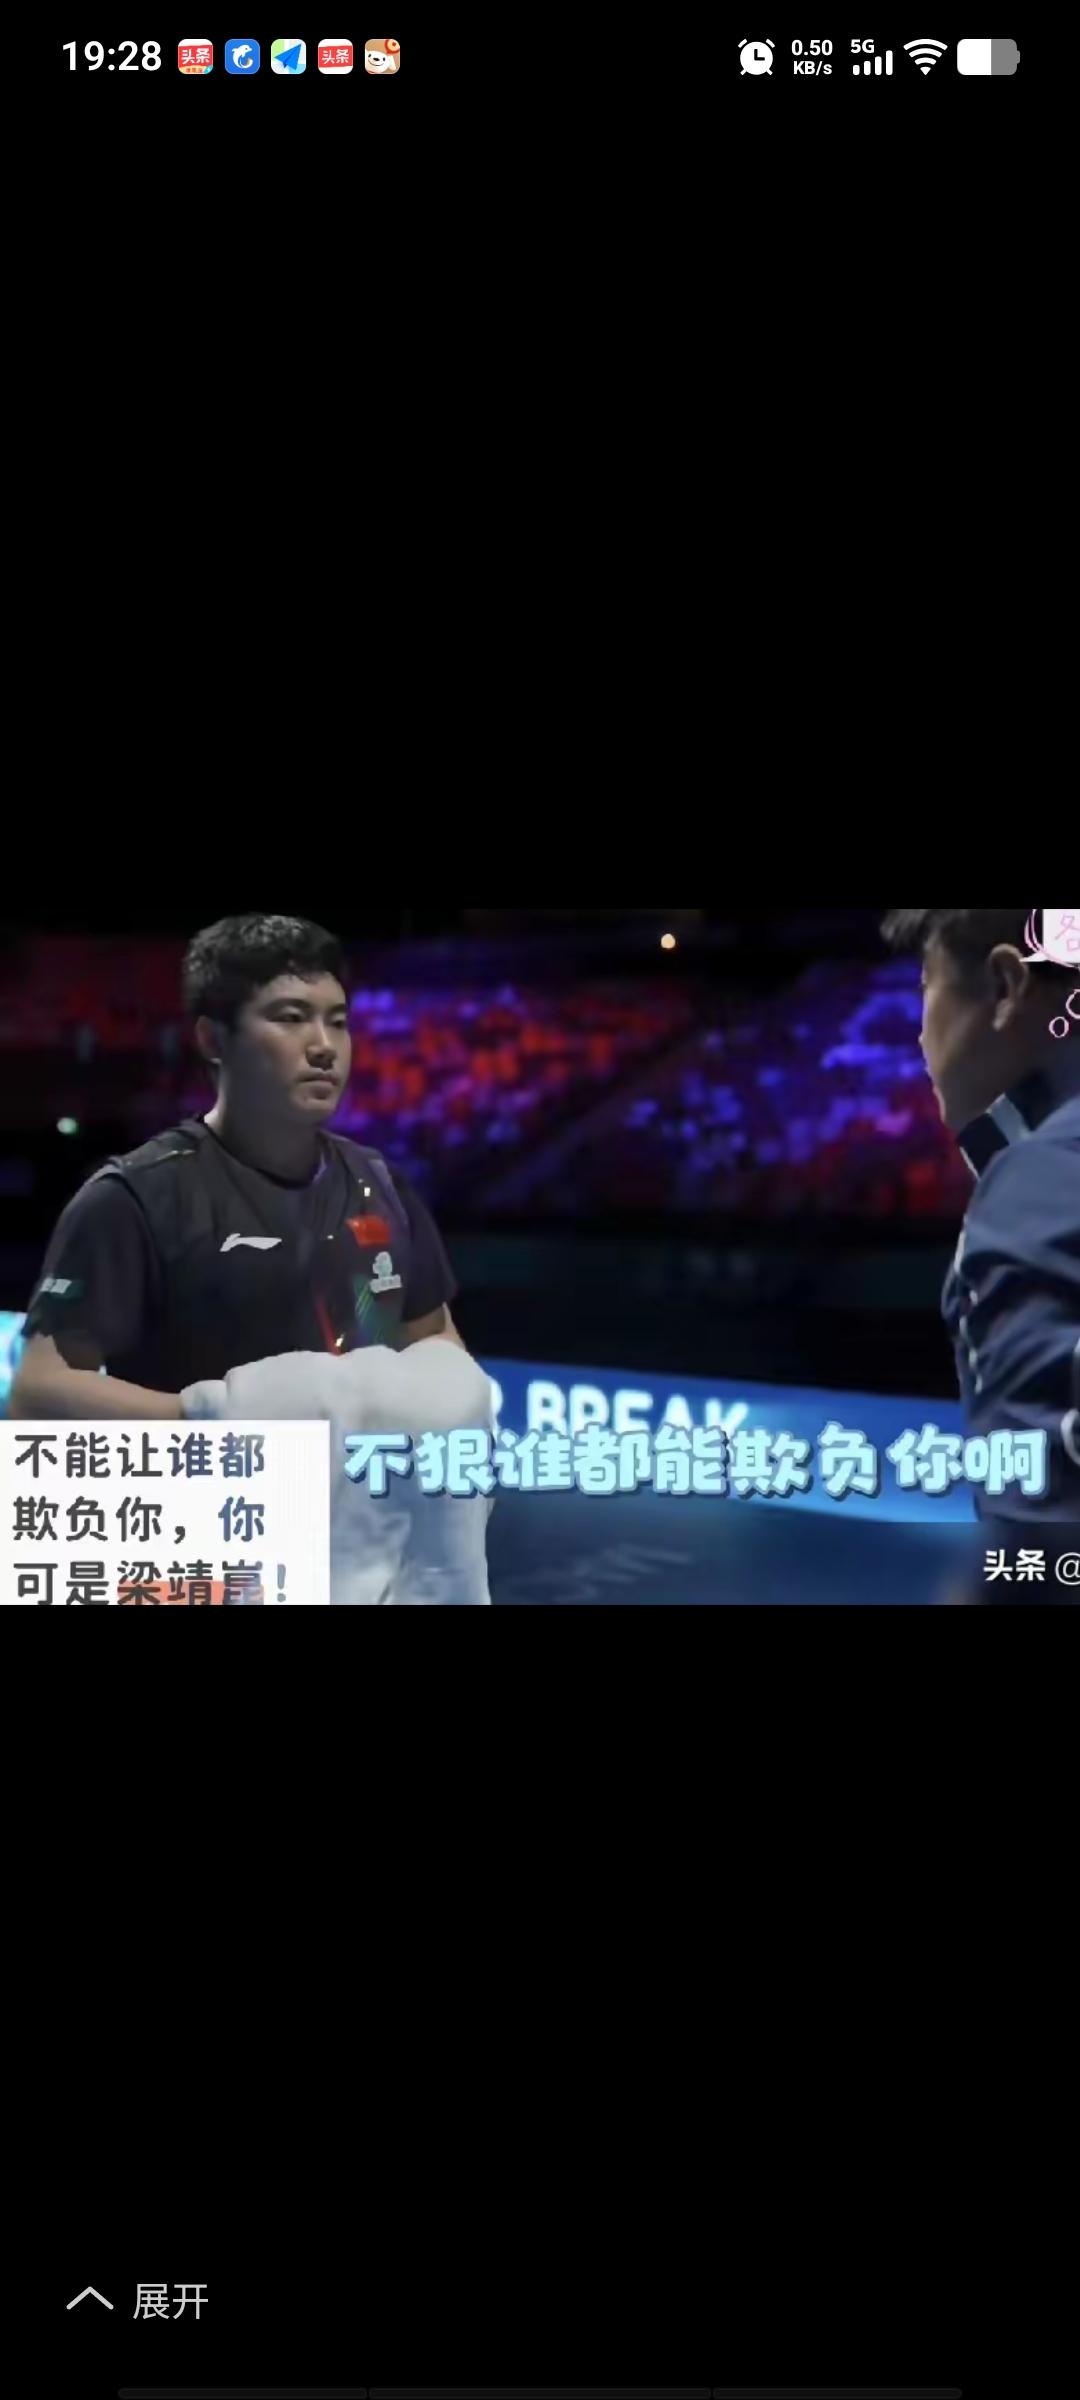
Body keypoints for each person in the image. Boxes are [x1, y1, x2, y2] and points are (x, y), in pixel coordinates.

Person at [10, 914, 493, 1601]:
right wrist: (228, 1419)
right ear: (214, 1039)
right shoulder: (135, 1196)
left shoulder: (382, 1186)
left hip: (363, 1561)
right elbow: (39, 1394)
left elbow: (436, 1341)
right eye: (290, 1018)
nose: (323, 1046)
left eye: (338, 1022)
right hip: (207, 1554)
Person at [882, 908, 1080, 1553]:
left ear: (1005, 987)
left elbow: (1046, 1526)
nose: (921, 1036)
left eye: (926, 988)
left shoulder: (1040, 1179)